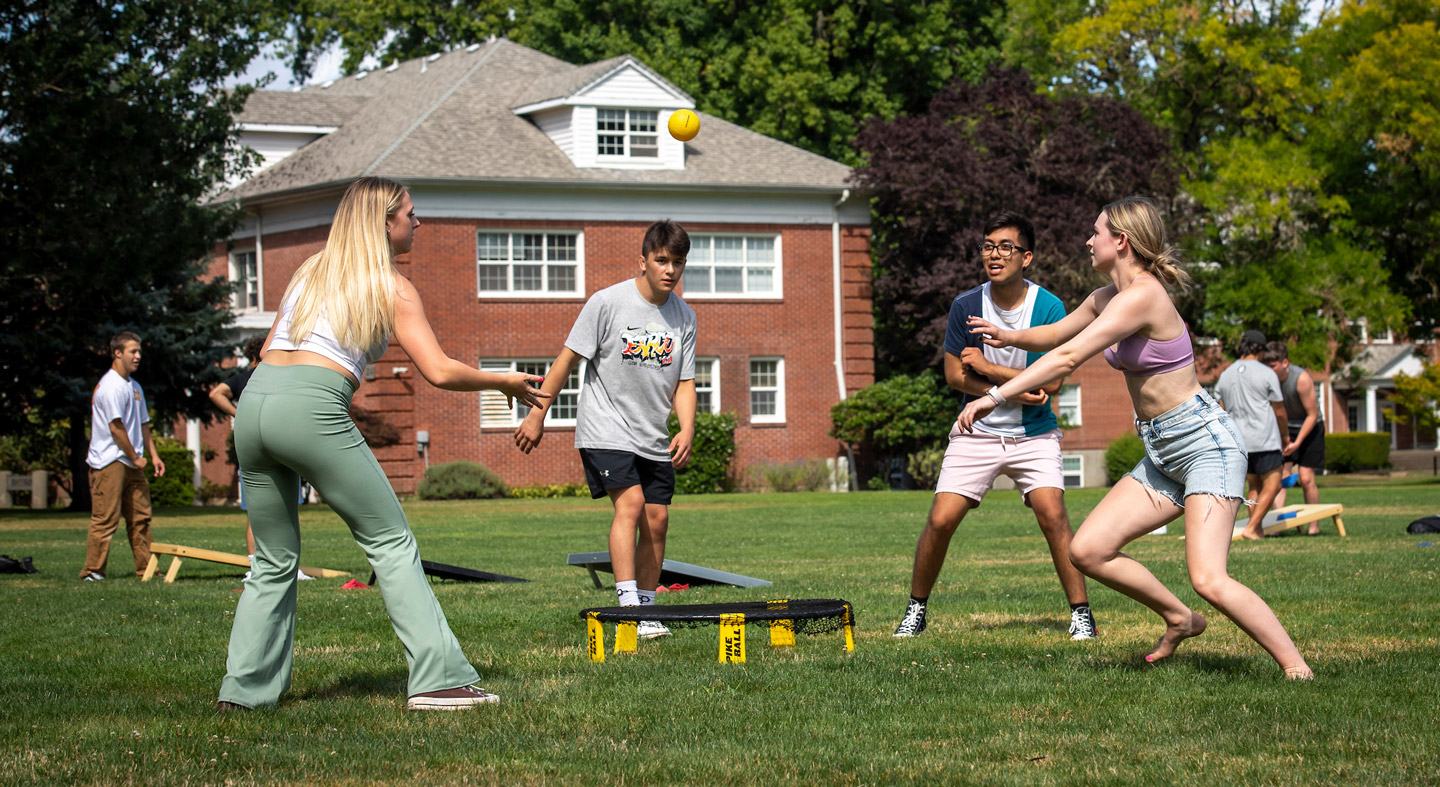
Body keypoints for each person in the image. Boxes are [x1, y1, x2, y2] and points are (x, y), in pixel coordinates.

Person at [216, 176, 547, 711]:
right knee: (390, 542)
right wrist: (503, 381)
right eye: (410, 214)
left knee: (272, 559)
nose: (419, 222)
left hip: (254, 407)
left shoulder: (308, 269)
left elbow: (269, 352)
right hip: (309, 407)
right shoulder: (391, 285)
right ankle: (438, 682)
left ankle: (243, 693)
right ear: (384, 222)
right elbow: (437, 370)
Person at [958, 196, 1312, 679]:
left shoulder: (1143, 296)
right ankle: (1180, 618)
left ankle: (1297, 669)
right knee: (1087, 551)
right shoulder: (1107, 297)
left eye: (1096, 232)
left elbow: (1067, 360)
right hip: (1162, 449)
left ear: (1120, 241)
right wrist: (1008, 336)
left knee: (1209, 577)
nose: (1088, 240)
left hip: (1204, 444)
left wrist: (992, 397)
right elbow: (1059, 334)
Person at [893, 211, 1095, 641]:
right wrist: (1017, 388)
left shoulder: (1049, 307)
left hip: (1034, 433)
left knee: (1052, 514)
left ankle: (1082, 615)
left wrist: (986, 368)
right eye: (988, 246)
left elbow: (1053, 382)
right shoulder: (966, 306)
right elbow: (953, 376)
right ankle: (916, 610)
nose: (994, 254)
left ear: (1028, 258)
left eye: (1006, 247)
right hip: (976, 432)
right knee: (942, 519)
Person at [514, 220, 697, 641]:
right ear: (643, 260)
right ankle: (628, 607)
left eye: (678, 263)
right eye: (661, 260)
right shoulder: (607, 303)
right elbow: (566, 360)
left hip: (651, 434)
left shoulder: (684, 317)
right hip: (605, 428)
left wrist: (687, 427)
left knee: (657, 519)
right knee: (630, 504)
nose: (669, 270)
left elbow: (685, 381)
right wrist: (538, 413)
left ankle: (649, 615)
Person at [209, 335, 312, 581]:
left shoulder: (244, 379)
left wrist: (239, 414)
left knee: (256, 510)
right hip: (280, 445)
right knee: (284, 509)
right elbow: (216, 393)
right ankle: (280, 566)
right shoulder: (268, 376)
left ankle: (259, 565)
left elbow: (217, 394)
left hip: (256, 445)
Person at [80, 332, 166, 580]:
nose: (138, 356)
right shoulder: (110, 386)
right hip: (110, 462)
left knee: (141, 518)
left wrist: (154, 455)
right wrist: (135, 457)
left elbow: (143, 424)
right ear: (117, 353)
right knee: (105, 519)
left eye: (139, 352)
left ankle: (147, 569)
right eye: (133, 352)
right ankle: (93, 571)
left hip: (133, 463)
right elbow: (116, 428)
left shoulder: (134, 386)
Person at [1215, 330, 1287, 541]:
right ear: (1260, 349)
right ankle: (1253, 527)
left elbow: (1220, 406)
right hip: (1264, 438)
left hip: (1240, 441)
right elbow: (1280, 410)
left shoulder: (1226, 374)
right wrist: (1285, 436)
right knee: (1274, 484)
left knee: (1254, 485)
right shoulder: (1266, 373)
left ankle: (1257, 530)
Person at [1263, 340, 1326, 529]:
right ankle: (1276, 527)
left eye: (1273, 366)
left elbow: (1312, 414)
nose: (1270, 370)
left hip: (1310, 427)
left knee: (1306, 478)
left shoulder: (1301, 379)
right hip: (1285, 429)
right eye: (1267, 366)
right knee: (1280, 477)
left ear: (1285, 363)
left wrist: (1298, 442)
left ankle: (1313, 526)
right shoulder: (1268, 380)